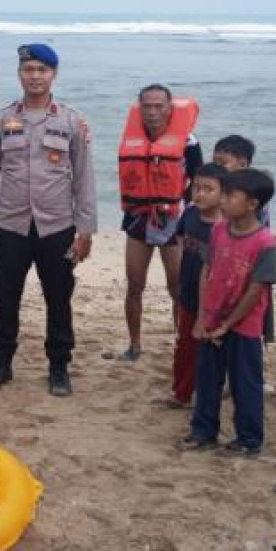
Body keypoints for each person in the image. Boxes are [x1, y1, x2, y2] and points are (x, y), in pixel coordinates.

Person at [0, 43, 97, 397]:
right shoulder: (1, 120)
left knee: (59, 299)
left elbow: (85, 178)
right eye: (29, 69)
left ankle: (59, 367)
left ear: (53, 74)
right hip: (10, 227)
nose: (35, 76)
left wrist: (85, 231)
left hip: (57, 228)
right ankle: (1, 365)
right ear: (20, 74)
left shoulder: (71, 120)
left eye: (42, 70)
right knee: (5, 298)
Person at [182, 168, 276, 455]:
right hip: (212, 317)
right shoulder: (219, 230)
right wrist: (202, 316)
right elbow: (207, 271)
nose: (223, 199)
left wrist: (230, 323)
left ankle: (248, 439)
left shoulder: (265, 241)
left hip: (244, 325)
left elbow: (256, 290)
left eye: (230, 195)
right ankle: (203, 431)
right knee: (208, 377)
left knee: (245, 382)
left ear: (252, 204)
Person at [110, 84, 203, 361]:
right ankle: (134, 345)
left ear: (169, 108)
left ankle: (180, 341)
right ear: (140, 108)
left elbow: (199, 183)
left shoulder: (188, 142)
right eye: (147, 106)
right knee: (134, 284)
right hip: (138, 219)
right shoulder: (132, 139)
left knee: (177, 287)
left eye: (158, 106)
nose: (152, 112)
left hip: (174, 221)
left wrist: (193, 219)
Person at [168, 162, 227, 408]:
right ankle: (181, 393)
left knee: (210, 349)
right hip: (188, 292)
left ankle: (206, 395)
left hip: (214, 300)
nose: (200, 193)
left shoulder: (224, 227)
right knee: (185, 344)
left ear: (224, 194)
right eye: (197, 187)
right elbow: (180, 238)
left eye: (208, 189)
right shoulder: (190, 214)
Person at [212, 134, 276, 343]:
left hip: (249, 261)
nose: (219, 168)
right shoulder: (223, 192)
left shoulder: (250, 196)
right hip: (224, 259)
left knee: (255, 302)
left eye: (223, 163)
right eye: (215, 163)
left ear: (243, 163)